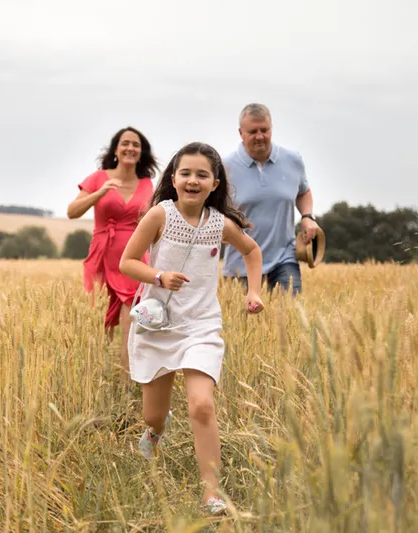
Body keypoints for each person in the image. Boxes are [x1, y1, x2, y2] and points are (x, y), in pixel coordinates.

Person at [119, 141, 264, 516]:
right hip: (159, 324)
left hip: (202, 325)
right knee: (154, 414)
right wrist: (159, 276)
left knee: (201, 405)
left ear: (215, 183)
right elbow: (127, 262)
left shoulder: (221, 224)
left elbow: (251, 251)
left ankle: (211, 493)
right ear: (173, 178)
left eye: (202, 174)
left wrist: (253, 291)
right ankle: (154, 431)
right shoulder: (159, 216)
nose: (193, 180)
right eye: (185, 173)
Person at [67, 126, 158, 377]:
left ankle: (127, 378)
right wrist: (99, 193)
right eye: (125, 143)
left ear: (142, 152)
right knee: (99, 315)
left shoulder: (147, 184)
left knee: (133, 318)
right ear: (116, 149)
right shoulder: (98, 178)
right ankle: (97, 377)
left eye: (136, 145)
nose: (130, 148)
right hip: (102, 255)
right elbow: (72, 212)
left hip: (135, 258)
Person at [221, 103, 321, 295]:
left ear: (271, 128)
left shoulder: (293, 160)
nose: (260, 136)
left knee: (290, 320)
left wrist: (307, 216)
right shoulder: (224, 167)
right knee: (242, 324)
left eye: (264, 130)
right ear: (241, 133)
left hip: (284, 259)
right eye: (253, 131)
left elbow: (303, 192)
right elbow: (213, 210)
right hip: (240, 265)